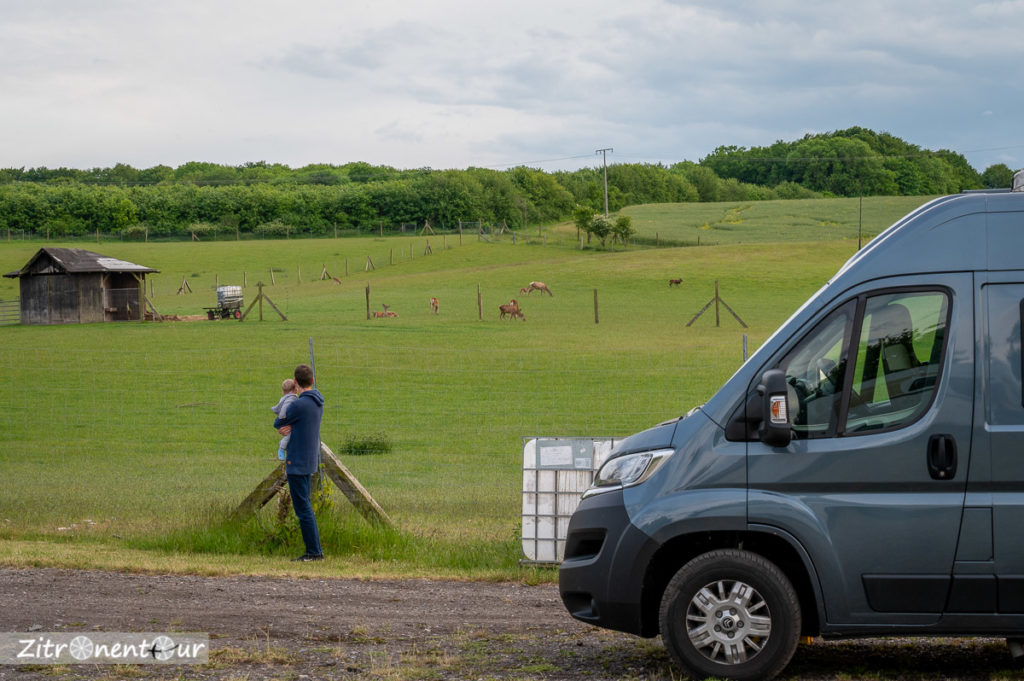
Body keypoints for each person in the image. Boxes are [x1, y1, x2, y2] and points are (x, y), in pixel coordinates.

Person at [273, 364, 325, 562]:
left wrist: (287, 424)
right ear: (312, 381)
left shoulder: (298, 405)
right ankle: (315, 550)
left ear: (295, 382)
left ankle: (314, 552)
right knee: (306, 506)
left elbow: (279, 422)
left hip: (297, 459)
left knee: (303, 509)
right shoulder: (318, 401)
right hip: (310, 458)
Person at [271, 378, 299, 461]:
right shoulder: (292, 397)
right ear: (295, 390)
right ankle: (282, 448)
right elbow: (285, 408)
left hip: (279, 419)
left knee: (290, 433)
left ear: (283, 392)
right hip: (283, 419)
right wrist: (284, 417)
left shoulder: (284, 397)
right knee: (290, 434)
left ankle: (284, 445)